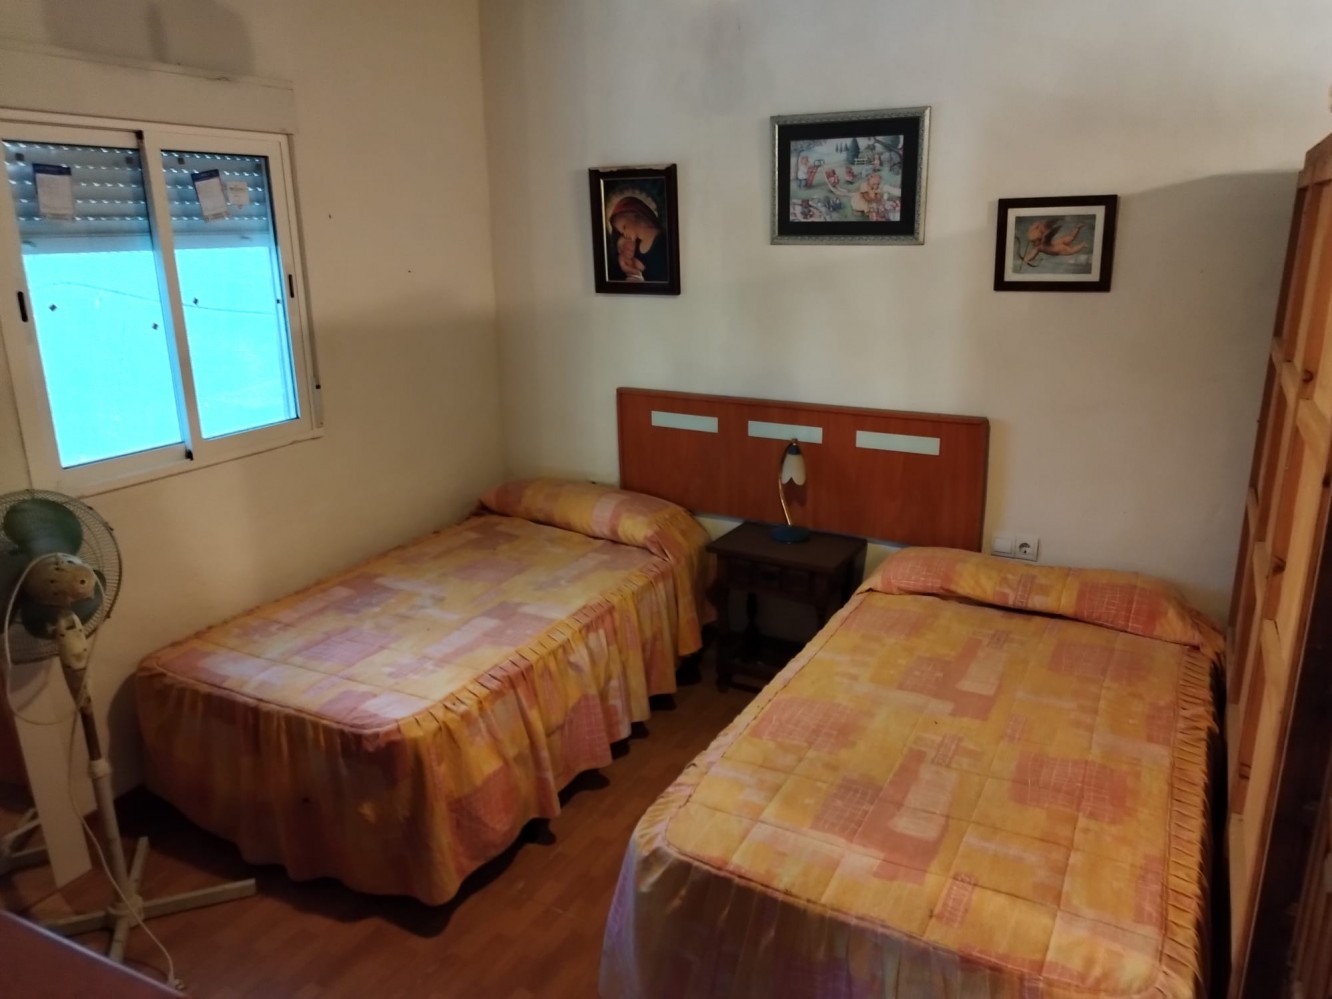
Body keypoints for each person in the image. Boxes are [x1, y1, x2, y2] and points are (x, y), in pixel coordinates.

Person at [607, 194, 668, 283]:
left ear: (635, 215)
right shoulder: (634, 246)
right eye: (621, 232)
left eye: (624, 227)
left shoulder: (663, 240)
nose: (624, 234)